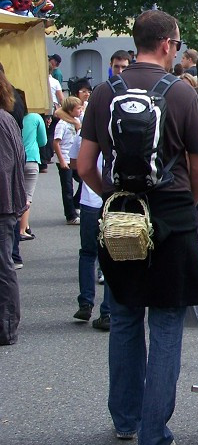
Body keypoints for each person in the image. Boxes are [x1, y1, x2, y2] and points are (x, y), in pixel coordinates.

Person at [79, 9, 198, 445]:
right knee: (168, 320)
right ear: (169, 44)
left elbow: (83, 167)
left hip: (122, 214)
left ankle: (125, 419)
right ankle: (154, 438)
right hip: (171, 214)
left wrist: (113, 193)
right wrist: (186, 205)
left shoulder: (102, 92)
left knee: (126, 314)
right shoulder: (180, 94)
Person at [70, 133, 111, 328]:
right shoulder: (119, 131)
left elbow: (75, 165)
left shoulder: (84, 135)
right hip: (113, 199)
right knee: (113, 256)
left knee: (87, 253)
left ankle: (85, 303)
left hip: (90, 200)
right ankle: (108, 312)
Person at [0, 70, 27, 345]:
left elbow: (6, 166)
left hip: (3, 207)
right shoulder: (6, 118)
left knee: (3, 267)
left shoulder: (2, 120)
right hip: (6, 206)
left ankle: (6, 328)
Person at [18, 91, 46, 241]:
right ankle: (22, 229)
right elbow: (43, 141)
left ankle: (23, 225)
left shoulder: (7, 118)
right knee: (26, 196)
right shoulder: (35, 118)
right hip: (31, 160)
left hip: (12, 161)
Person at [53, 96, 83, 225]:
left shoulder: (75, 120)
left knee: (84, 181)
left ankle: (76, 204)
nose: (80, 110)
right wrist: (61, 160)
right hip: (64, 159)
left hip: (73, 159)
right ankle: (70, 216)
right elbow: (56, 143)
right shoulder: (62, 124)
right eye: (78, 108)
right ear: (70, 110)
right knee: (67, 189)